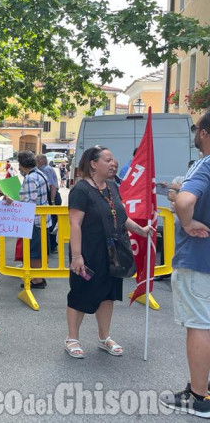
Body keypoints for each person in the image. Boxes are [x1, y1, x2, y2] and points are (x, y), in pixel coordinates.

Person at [65, 145, 153, 359]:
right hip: (88, 252)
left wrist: (140, 230)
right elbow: (75, 225)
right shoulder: (81, 190)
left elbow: (121, 216)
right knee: (80, 294)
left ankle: (104, 337)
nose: (113, 163)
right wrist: (77, 256)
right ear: (94, 164)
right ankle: (72, 339)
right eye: (108, 160)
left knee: (108, 295)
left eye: (113, 159)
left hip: (112, 253)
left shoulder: (113, 187)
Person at [160, 112, 210, 416]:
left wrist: (187, 220)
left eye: (195, 130)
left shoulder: (205, 164)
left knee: (199, 326)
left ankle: (198, 397)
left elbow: (184, 203)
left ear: (204, 133)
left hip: (198, 257)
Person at [17, 151, 50, 288]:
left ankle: (37, 280)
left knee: (34, 251)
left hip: (34, 221)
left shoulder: (30, 178)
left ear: (22, 164)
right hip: (43, 219)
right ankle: (40, 276)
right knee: (39, 250)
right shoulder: (41, 174)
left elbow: (29, 202)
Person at [36, 154, 60, 254]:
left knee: (51, 224)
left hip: (52, 197)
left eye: (37, 160)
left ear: (41, 161)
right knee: (52, 222)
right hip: (53, 197)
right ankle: (51, 246)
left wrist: (52, 201)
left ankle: (52, 246)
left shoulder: (45, 169)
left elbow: (52, 186)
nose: (35, 163)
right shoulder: (47, 168)